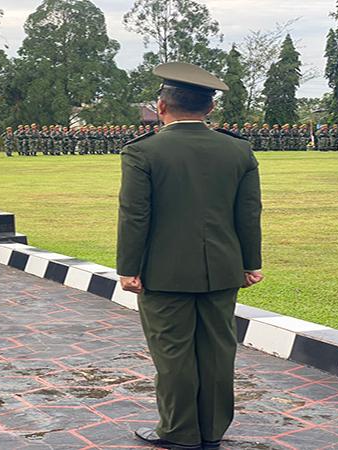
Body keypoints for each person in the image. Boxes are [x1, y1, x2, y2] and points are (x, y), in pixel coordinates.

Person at [116, 62, 263, 450]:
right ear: (210, 109)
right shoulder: (238, 150)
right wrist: (251, 262)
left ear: (161, 106)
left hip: (163, 271)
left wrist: (129, 269)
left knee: (173, 352)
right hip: (223, 268)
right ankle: (212, 431)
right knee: (217, 351)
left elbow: (135, 215)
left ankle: (180, 431)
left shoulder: (143, 151)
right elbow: (248, 212)